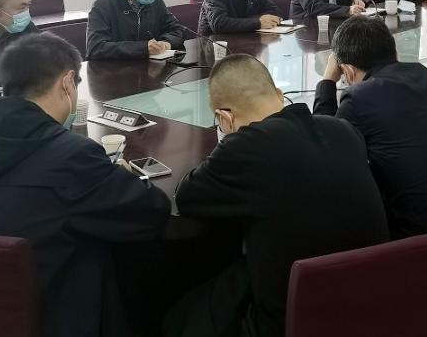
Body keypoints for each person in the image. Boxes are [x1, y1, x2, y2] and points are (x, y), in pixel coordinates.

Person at [0, 33, 171, 337]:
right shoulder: (71, 156)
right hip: (42, 315)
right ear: (67, 83)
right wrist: (121, 175)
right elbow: (151, 213)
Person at [167, 55, 389, 337]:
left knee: (179, 317)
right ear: (280, 95)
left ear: (224, 117)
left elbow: (186, 196)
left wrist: (229, 139)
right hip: (371, 307)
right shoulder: (343, 130)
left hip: (290, 322)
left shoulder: (245, 147)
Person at [312, 17, 427, 238]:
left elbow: (323, 151)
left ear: (347, 72)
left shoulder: (359, 98)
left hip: (421, 241)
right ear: (394, 51)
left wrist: (327, 81)